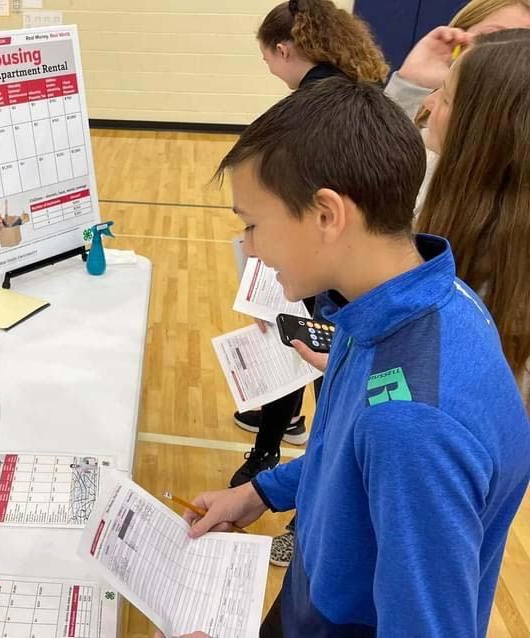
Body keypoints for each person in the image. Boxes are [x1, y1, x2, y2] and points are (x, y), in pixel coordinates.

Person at [165, 79, 530, 637]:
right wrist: (260, 491)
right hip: (311, 602)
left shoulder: (413, 424)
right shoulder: (413, 300)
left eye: (253, 225)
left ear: (327, 215)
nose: (251, 248)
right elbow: (349, 458)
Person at [229, 0, 390, 517]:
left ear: (284, 49)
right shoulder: (357, 95)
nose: (251, 244)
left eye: (256, 226)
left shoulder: (314, 111)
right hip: (342, 283)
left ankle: (292, 487)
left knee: (315, 369)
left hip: (337, 283)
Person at [416, 29, 530, 405]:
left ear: (485, 128)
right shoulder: (453, 197)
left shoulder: (509, 272)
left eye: (445, 96)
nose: (430, 104)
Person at [385, 0, 530, 122]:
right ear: (458, 39)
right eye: (491, 36)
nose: (504, 53)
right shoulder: (429, 122)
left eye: (522, 46)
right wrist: (411, 86)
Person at [257, 0, 389, 90]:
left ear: (282, 52)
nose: (270, 68)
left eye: (266, 59)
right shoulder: (360, 78)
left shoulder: (309, 105)